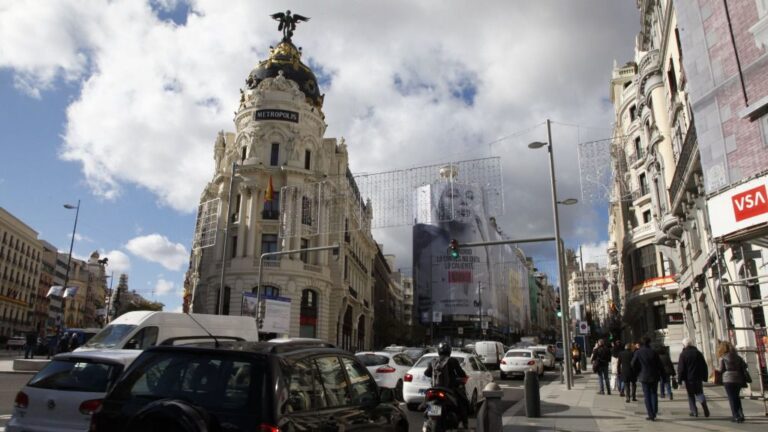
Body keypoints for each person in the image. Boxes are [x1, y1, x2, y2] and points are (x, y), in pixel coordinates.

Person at [424, 342, 469, 428]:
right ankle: (465, 422)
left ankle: (426, 419)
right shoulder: (453, 361)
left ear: (438, 351)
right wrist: (462, 378)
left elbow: (426, 373)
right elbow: (461, 373)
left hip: (434, 389)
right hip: (449, 389)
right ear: (449, 351)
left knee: (426, 403)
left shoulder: (433, 361)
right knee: (463, 401)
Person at [631, 336, 663, 421]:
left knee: (647, 395)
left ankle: (650, 414)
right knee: (654, 394)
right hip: (654, 375)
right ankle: (654, 411)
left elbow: (633, 364)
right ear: (649, 342)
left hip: (644, 376)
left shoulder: (638, 352)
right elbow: (659, 365)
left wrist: (638, 372)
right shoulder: (654, 352)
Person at [717, 341, 749, 423]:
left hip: (728, 380)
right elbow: (745, 365)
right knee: (737, 397)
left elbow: (721, 370)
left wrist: (716, 370)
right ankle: (741, 414)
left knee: (732, 398)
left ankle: (736, 416)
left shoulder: (723, 358)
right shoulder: (737, 357)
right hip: (738, 379)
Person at [677, 337, 710, 417]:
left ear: (684, 345)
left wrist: (679, 380)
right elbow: (704, 366)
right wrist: (705, 377)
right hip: (698, 377)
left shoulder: (683, 354)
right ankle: (704, 404)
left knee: (691, 395)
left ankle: (694, 411)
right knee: (699, 392)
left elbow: (681, 368)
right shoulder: (698, 353)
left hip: (688, 379)